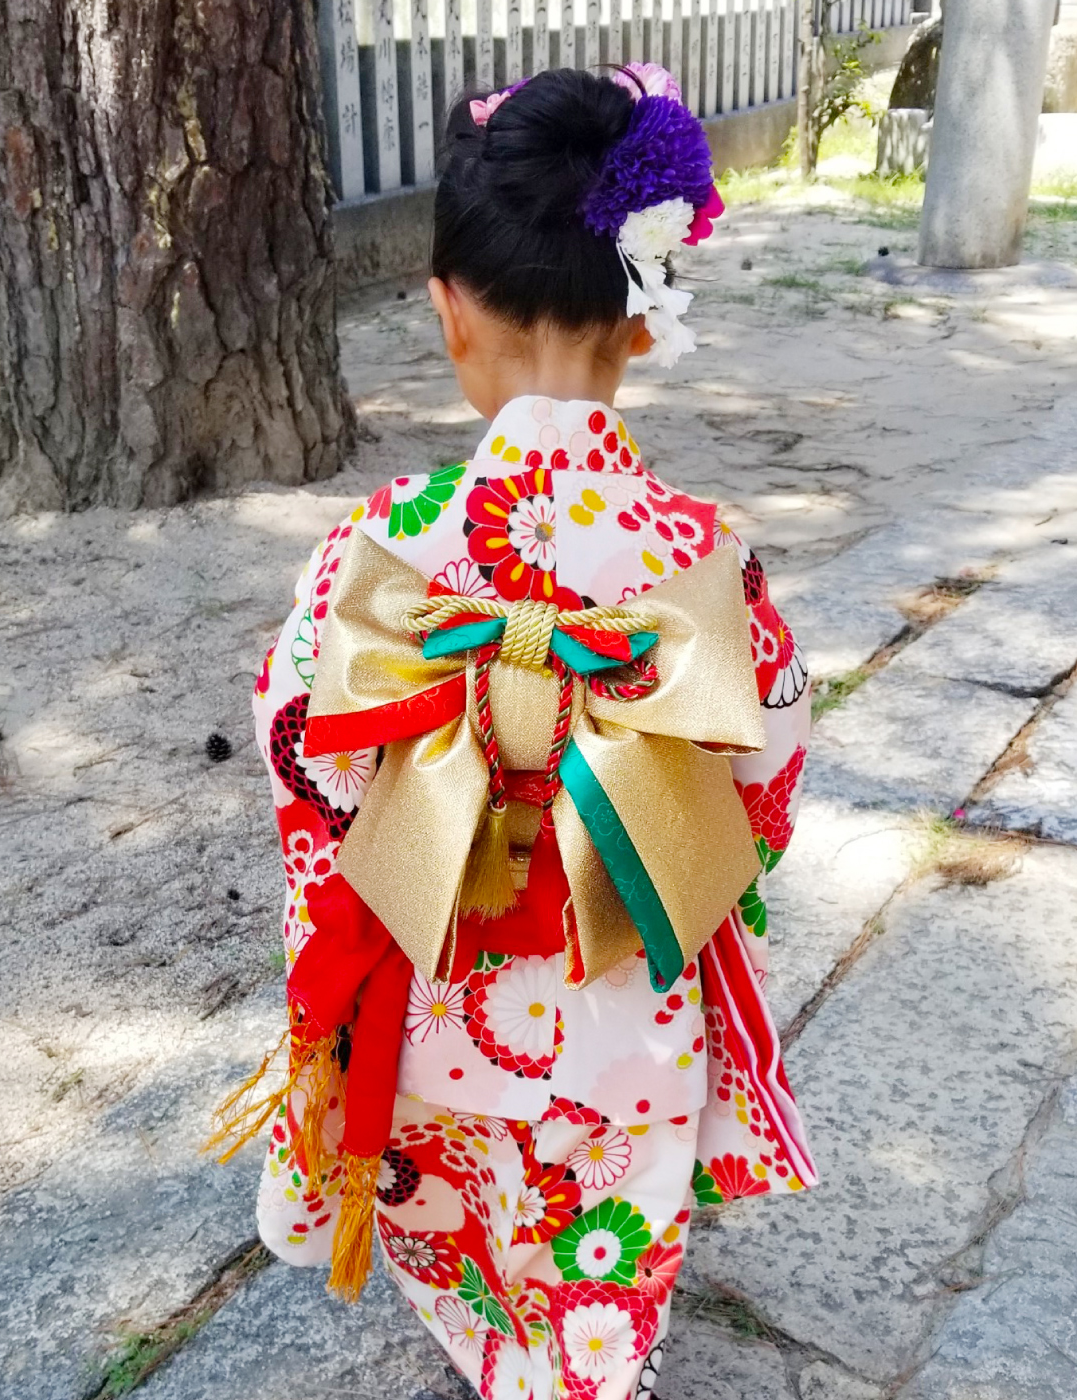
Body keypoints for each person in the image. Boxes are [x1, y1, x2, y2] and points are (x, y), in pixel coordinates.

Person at [214, 65, 815, 1400]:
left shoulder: (370, 551)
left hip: (431, 994)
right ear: (642, 323)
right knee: (600, 1254)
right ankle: (580, 1366)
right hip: (623, 1006)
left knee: (461, 1233)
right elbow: (765, 785)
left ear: (446, 311)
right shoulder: (708, 558)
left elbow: (304, 765)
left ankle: (494, 1353)